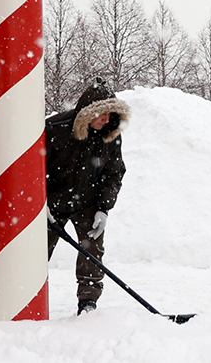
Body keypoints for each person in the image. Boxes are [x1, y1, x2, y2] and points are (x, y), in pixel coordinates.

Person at [45, 78, 131, 315]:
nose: (106, 121)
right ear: (86, 114)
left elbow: (114, 174)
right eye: (101, 115)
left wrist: (103, 208)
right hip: (52, 202)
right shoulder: (55, 129)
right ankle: (27, 296)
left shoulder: (109, 135)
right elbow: (33, 167)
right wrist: (39, 202)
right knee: (37, 251)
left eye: (110, 116)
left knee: (92, 251)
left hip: (89, 202)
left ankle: (88, 304)